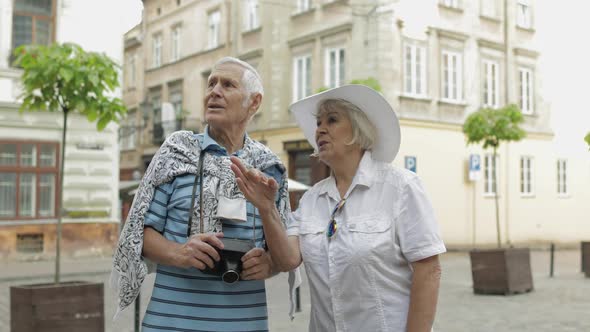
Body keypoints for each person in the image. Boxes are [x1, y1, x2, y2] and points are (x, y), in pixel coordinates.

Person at [232, 85, 446, 332]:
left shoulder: (401, 187)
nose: (320, 129)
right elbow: (288, 259)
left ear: (358, 131)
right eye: (319, 122)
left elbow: (429, 271)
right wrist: (266, 208)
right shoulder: (312, 198)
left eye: (332, 120)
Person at [111, 57, 293, 332]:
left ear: (254, 103)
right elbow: (139, 235)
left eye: (228, 85)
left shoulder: (269, 169)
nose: (214, 92)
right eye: (211, 84)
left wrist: (270, 265)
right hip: (170, 325)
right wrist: (178, 252)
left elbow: (284, 256)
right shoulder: (176, 151)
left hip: (245, 324)